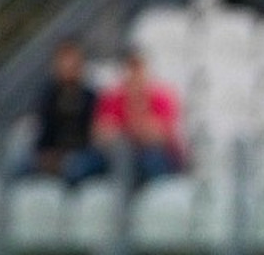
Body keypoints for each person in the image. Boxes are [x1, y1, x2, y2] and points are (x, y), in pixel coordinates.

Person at [92, 49, 186, 185]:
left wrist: (132, 111)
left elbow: (157, 137)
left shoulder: (161, 97)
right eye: (130, 70)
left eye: (138, 70)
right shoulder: (112, 98)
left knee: (150, 160)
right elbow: (100, 134)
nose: (134, 76)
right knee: (117, 153)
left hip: (159, 156)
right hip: (122, 156)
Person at [23, 39, 104, 185]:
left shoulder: (90, 97)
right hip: (53, 154)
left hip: (83, 153)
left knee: (75, 167)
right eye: (64, 62)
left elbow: (93, 136)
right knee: (19, 162)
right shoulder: (47, 96)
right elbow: (44, 133)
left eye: (72, 63)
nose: (68, 67)